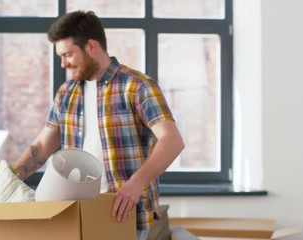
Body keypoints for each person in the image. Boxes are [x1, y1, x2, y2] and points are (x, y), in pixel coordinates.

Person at [15, 10, 185, 240]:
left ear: (91, 46)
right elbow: (42, 146)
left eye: (68, 54)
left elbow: (172, 141)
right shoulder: (67, 92)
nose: (63, 63)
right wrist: (7, 181)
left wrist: (135, 184)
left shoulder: (137, 86)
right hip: (77, 211)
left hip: (123, 211)